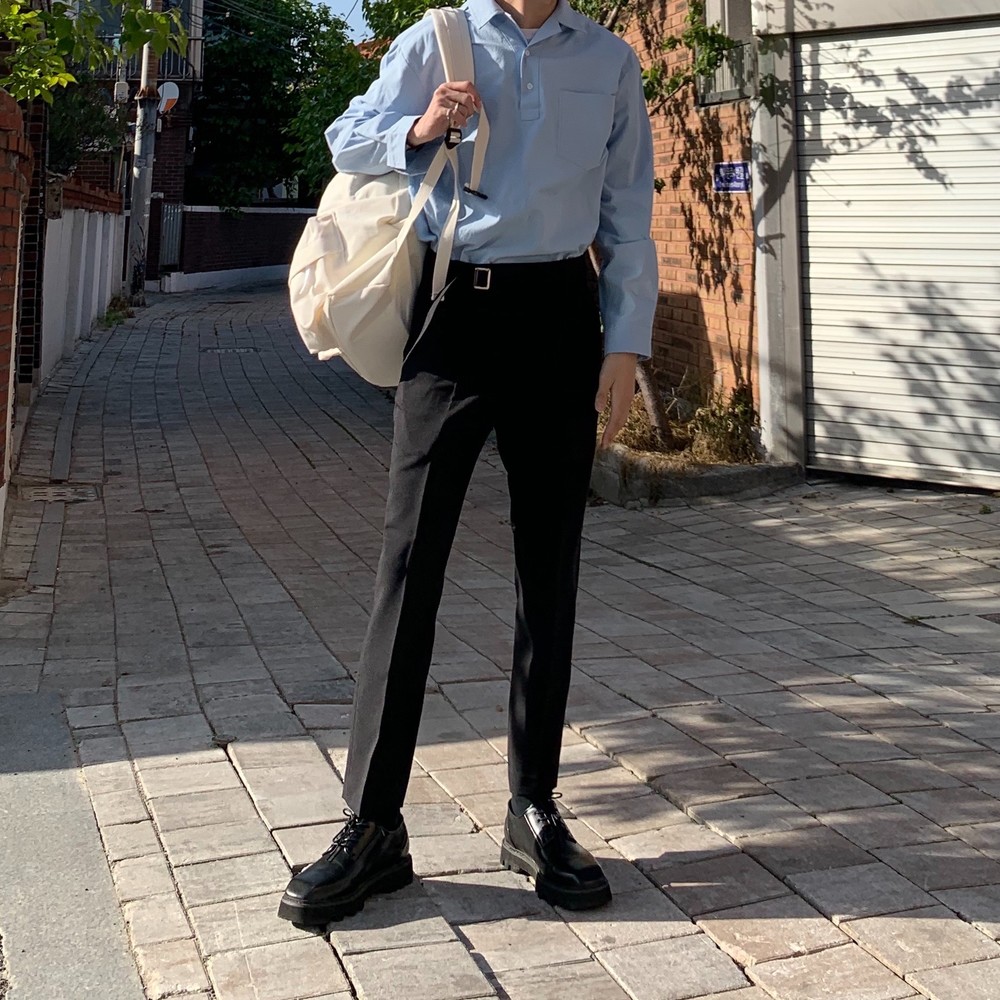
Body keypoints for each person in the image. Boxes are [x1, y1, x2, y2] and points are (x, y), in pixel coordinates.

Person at [278, 0, 656, 926]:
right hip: (455, 314)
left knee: (549, 568)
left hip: (563, 318)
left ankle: (534, 808)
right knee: (409, 567)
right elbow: (346, 138)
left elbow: (628, 210)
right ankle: (374, 823)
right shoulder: (438, 37)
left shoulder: (609, 61)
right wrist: (421, 126)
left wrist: (623, 341)